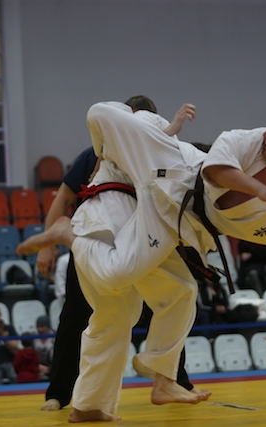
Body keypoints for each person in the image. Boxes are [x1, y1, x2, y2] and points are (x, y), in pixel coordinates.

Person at [18, 101, 266, 422]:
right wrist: (107, 148)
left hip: (176, 217)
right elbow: (214, 171)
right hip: (165, 183)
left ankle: (139, 387)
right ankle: (68, 235)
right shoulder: (245, 140)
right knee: (117, 280)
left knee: (179, 294)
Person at [34, 99, 207, 416]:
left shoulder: (142, 146)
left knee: (113, 317)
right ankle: (64, 391)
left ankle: (89, 405)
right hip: (106, 221)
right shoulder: (111, 138)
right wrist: (170, 127)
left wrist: (171, 129)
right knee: (163, 290)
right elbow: (65, 193)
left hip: (118, 224)